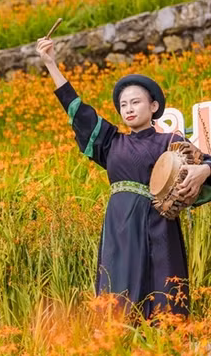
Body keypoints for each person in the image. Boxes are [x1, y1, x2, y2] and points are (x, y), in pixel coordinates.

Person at [36, 37, 211, 318]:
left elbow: (202, 162)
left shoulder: (170, 141)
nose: (128, 108)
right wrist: (50, 64)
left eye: (136, 102)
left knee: (163, 286)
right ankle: (119, 348)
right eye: (123, 104)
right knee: (118, 290)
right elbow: (78, 111)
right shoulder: (110, 143)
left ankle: (167, 347)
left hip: (158, 225)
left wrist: (204, 170)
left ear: (154, 106)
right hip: (119, 228)